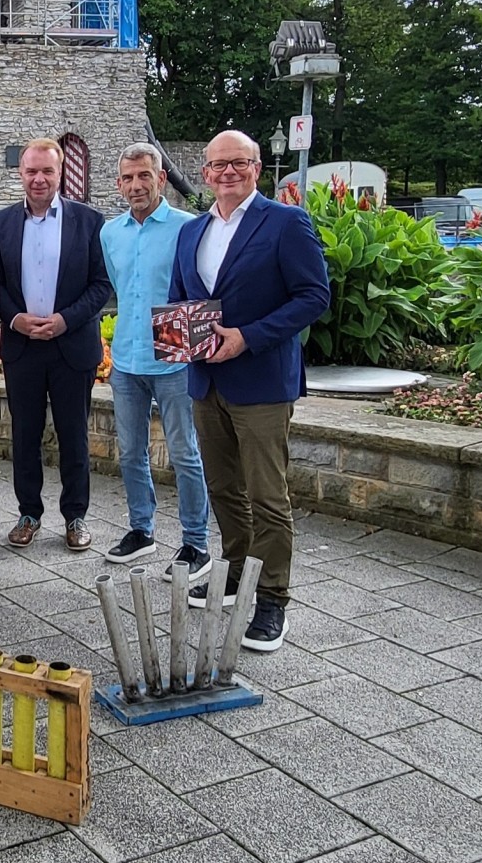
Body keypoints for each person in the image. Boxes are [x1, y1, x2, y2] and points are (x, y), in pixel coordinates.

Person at [169, 129, 330, 652]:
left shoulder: (286, 222)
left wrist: (249, 337)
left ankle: (273, 600)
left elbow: (314, 296)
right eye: (218, 165)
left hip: (261, 380)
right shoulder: (191, 231)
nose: (227, 173)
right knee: (223, 488)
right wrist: (178, 339)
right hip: (206, 380)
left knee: (267, 495)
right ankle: (238, 571)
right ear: (206, 173)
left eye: (239, 163)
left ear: (257, 168)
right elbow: (180, 298)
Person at [0, 138, 111, 552]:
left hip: (70, 345)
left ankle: (75, 516)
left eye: (47, 171)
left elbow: (101, 285)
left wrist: (64, 320)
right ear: (20, 174)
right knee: (24, 434)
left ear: (61, 173)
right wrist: (16, 318)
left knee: (73, 433)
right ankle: (28, 513)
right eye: (31, 171)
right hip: (22, 345)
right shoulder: (2, 221)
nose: (39, 179)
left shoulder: (89, 221)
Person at [99, 144, 212, 580]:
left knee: (185, 453)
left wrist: (185, 344)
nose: (136, 185)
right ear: (119, 184)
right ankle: (141, 529)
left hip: (175, 353)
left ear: (161, 178)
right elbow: (120, 286)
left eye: (144, 176)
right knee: (130, 452)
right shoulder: (111, 232)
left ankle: (195, 543)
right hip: (126, 355)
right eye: (127, 178)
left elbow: (198, 288)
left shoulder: (189, 227)